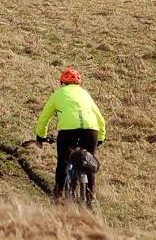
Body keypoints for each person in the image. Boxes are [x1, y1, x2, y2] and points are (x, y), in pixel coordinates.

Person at [35, 68, 106, 203]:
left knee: (63, 162)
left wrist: (41, 136)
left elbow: (44, 117)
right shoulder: (85, 94)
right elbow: (101, 120)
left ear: (62, 83)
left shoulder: (58, 94)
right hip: (91, 131)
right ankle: (91, 195)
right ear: (78, 83)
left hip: (68, 131)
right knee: (89, 160)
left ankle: (58, 194)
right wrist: (101, 138)